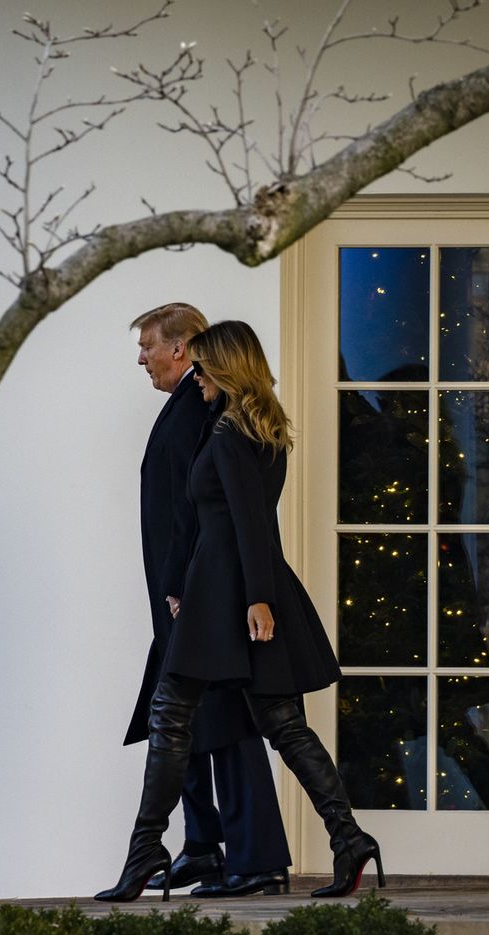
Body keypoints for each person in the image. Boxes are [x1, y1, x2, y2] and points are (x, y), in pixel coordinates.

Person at [96, 319, 384, 903]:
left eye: (202, 368)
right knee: (281, 724)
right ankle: (349, 838)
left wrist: (258, 599)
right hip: (230, 592)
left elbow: (253, 522)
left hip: (224, 596)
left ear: (224, 367)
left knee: (171, 718)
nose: (196, 378)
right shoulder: (256, 427)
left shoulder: (229, 433)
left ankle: (147, 850)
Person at [127, 303, 292, 898]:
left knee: (227, 716)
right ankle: (203, 846)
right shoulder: (191, 406)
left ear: (181, 348)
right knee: (184, 717)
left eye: (148, 345)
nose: (141, 358)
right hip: (183, 593)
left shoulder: (207, 409)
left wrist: (198, 590)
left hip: (202, 593)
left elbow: (222, 512)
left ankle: (257, 857)